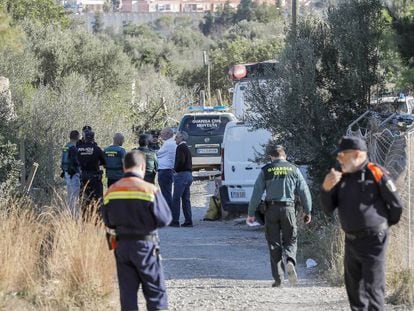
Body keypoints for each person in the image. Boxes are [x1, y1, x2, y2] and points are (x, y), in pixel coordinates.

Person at [320, 136, 403, 311]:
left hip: (374, 240)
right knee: (354, 292)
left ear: (357, 154)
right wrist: (326, 189)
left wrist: (379, 226)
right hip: (351, 241)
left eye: (342, 155)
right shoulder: (340, 175)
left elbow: (396, 206)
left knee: (373, 290)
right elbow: (328, 208)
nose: (339, 159)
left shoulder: (376, 172)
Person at [102, 150, 172, 311]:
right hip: (145, 246)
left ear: (124, 166)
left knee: (127, 294)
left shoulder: (112, 190)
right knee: (155, 293)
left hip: (121, 247)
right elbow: (165, 219)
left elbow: (107, 222)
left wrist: (116, 242)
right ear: (142, 166)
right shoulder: (149, 189)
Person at [246, 144, 312, 287]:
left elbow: (256, 193)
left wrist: (251, 213)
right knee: (291, 240)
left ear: (271, 157)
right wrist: (308, 210)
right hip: (288, 209)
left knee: (273, 244)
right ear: (285, 155)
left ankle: (278, 280)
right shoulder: (294, 169)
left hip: (271, 210)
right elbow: (304, 191)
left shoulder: (266, 170)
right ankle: (289, 260)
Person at [77, 130, 106, 215]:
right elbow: (104, 163)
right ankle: (97, 219)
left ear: (84, 138)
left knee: (83, 200)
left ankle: (84, 219)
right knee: (98, 200)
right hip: (94, 178)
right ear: (93, 138)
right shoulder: (97, 149)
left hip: (82, 177)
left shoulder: (78, 149)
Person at [171, 131, 193, 227]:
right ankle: (188, 220)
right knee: (186, 199)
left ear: (181, 138)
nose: (175, 139)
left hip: (182, 175)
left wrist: (175, 169)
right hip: (189, 175)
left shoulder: (180, 147)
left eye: (176, 137)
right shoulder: (187, 148)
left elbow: (181, 160)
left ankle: (175, 221)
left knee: (176, 198)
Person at [60, 130, 81, 215]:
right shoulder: (73, 147)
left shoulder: (66, 146)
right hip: (73, 174)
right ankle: (74, 215)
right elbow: (75, 161)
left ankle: (70, 213)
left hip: (66, 173)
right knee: (74, 196)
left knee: (70, 195)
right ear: (77, 137)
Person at [156, 127, 177, 209]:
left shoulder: (168, 143)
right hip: (169, 170)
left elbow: (157, 154)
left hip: (164, 171)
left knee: (166, 195)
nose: (161, 135)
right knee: (167, 193)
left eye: (162, 133)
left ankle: (168, 215)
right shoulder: (172, 143)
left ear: (168, 134)